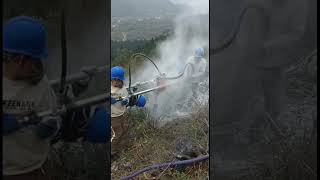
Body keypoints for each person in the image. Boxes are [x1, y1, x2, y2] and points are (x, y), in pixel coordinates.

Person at [3, 16, 61, 180]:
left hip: (32, 166)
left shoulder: (40, 83)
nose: (38, 67)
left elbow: (53, 113)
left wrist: (51, 126)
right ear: (18, 59)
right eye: (35, 61)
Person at [110, 66, 146, 158]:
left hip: (121, 113)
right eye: (115, 80)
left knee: (124, 128)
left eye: (119, 80)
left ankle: (120, 144)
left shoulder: (123, 89)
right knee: (117, 133)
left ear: (122, 80)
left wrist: (125, 101)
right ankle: (112, 151)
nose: (117, 82)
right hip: (113, 117)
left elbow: (125, 98)